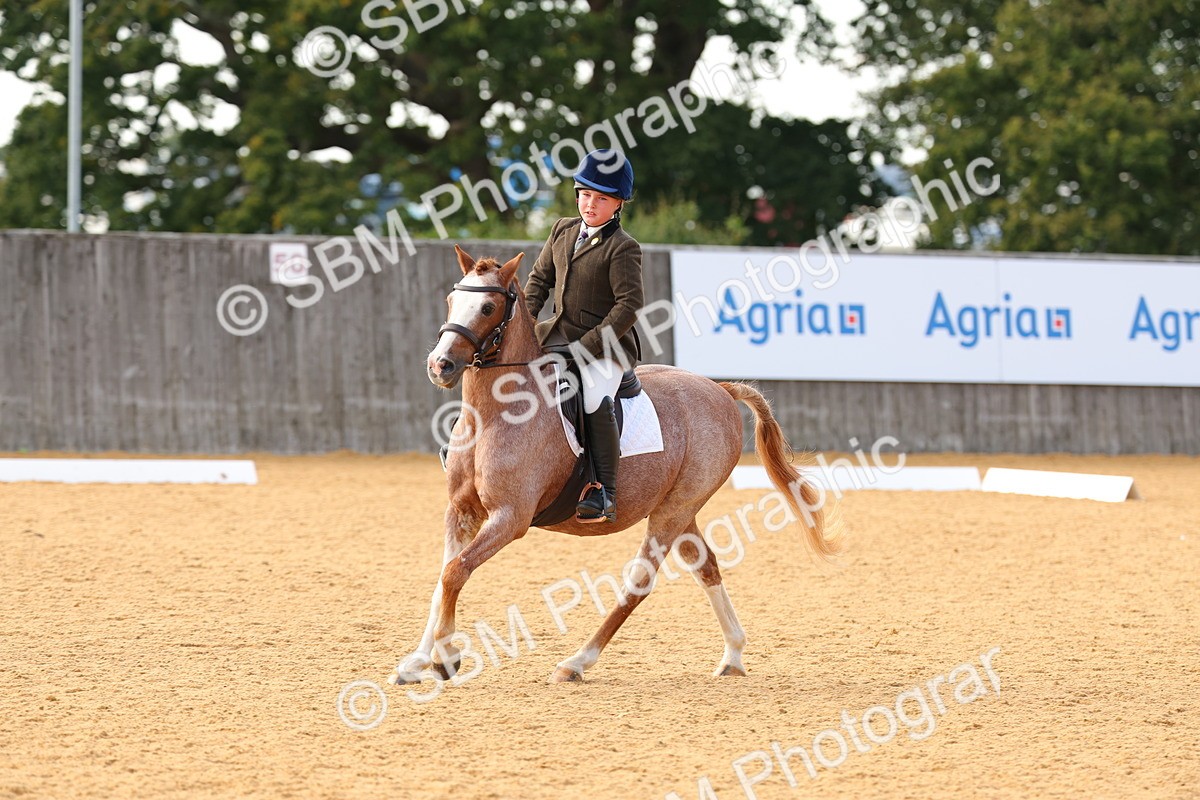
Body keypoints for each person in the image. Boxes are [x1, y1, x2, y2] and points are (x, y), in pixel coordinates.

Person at [524, 149, 643, 523]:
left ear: (618, 203)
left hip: (605, 347)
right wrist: (524, 327)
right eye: (585, 194)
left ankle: (603, 490)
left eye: (601, 198)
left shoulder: (622, 247)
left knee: (593, 396)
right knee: (505, 372)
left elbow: (629, 305)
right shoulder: (562, 229)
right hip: (554, 336)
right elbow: (539, 281)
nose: (590, 204)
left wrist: (586, 347)